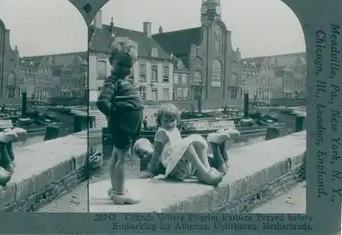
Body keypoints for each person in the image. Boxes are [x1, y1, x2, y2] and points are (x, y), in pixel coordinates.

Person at [134, 103, 240, 186]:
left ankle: (206, 171)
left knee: (198, 141)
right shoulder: (161, 133)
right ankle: (204, 172)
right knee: (187, 144)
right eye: (166, 121)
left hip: (182, 163)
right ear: (160, 121)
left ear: (177, 120)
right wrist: (151, 171)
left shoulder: (174, 130)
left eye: (173, 121)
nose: (170, 124)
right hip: (174, 167)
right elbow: (156, 153)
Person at [96, 37, 143, 205]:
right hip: (122, 126)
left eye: (128, 66)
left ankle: (115, 188)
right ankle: (121, 193)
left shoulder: (122, 81)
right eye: (120, 64)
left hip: (125, 126)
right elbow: (102, 101)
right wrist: (116, 114)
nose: (124, 69)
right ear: (111, 61)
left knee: (116, 155)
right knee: (124, 157)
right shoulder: (112, 81)